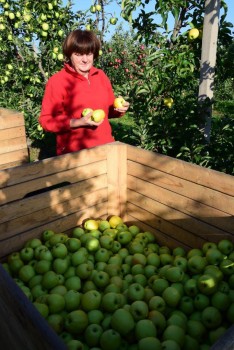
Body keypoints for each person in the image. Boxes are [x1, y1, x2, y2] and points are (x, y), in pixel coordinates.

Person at [39, 29, 130, 156]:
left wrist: (119, 109)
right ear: (69, 55)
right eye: (78, 54)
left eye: (89, 53)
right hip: (75, 154)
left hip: (106, 148)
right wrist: (77, 122)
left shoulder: (101, 76)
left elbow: (108, 110)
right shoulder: (57, 81)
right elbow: (46, 120)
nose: (85, 59)